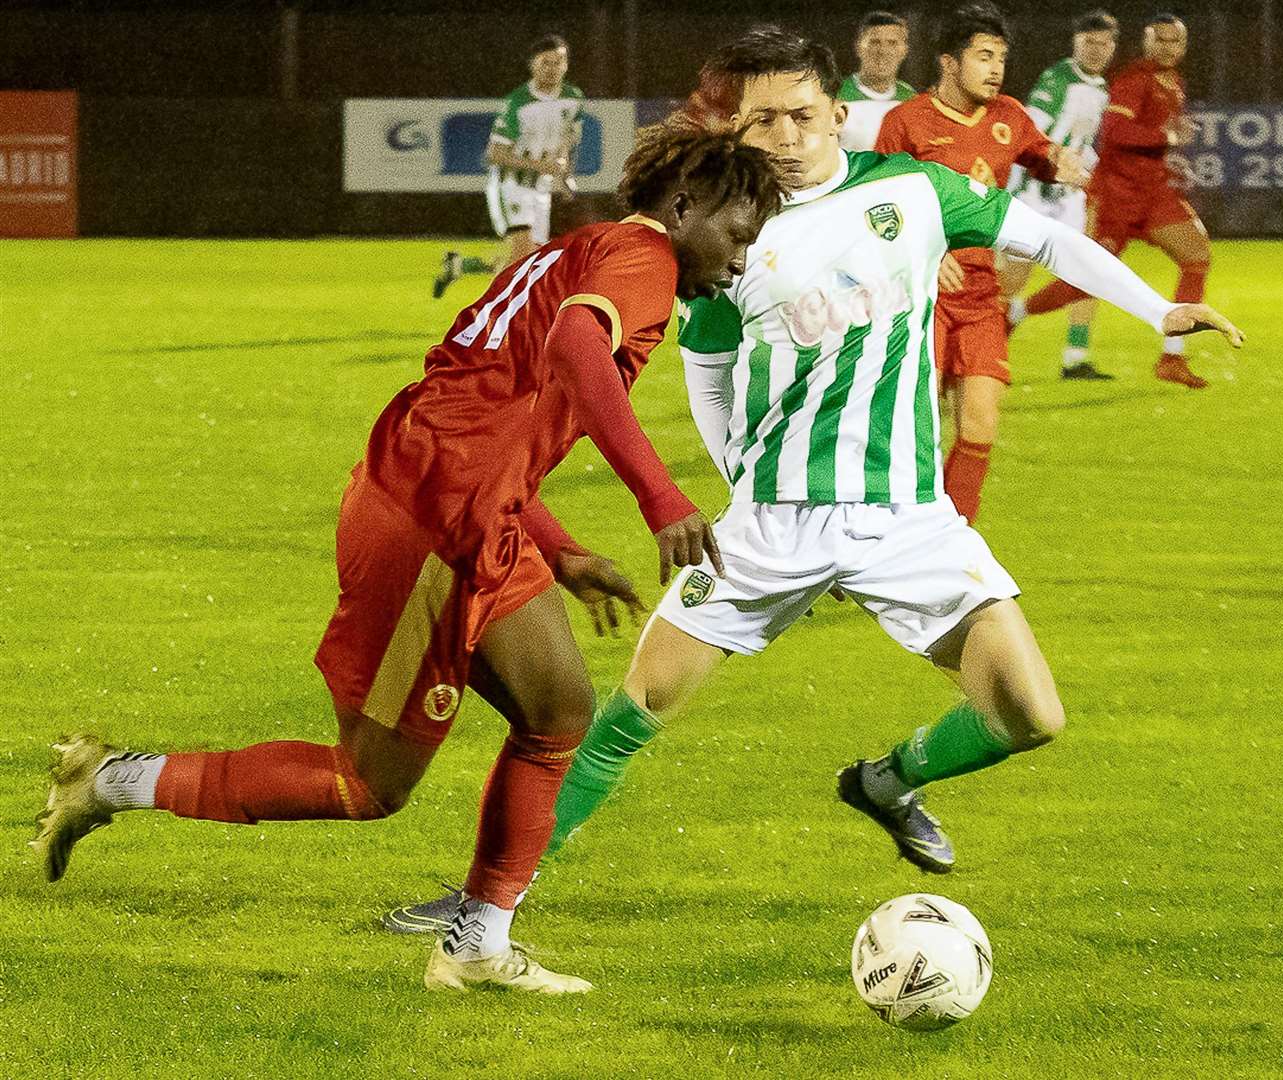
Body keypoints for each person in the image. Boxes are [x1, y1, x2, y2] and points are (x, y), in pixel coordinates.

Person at [382, 23, 1241, 936]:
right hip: (771, 523)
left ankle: (886, 781)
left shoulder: (911, 191)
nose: (785, 138)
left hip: (910, 518)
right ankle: (484, 902)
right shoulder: (726, 232)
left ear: (837, 114)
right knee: (637, 706)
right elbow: (708, 373)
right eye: (762, 123)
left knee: (1030, 714)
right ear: (736, 130)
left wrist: (1159, 308)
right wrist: (737, 482)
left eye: (800, 116)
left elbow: (1047, 240)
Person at [31, 127, 787, 995]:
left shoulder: (574, 250)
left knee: (558, 710)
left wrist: (561, 548)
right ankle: (114, 779)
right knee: (367, 784)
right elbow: (580, 352)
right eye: (737, 237)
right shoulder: (643, 262)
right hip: (429, 527)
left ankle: (475, 946)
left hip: (459, 500)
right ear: (682, 207)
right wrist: (663, 498)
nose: (739, 262)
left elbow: (483, 409)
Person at [874, 3, 1090, 522]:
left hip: (979, 292)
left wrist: (1064, 164)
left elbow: (1043, 155)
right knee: (910, 432)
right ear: (949, 61)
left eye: (1001, 58)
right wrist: (924, 248)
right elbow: (877, 207)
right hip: (917, 293)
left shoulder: (1008, 117)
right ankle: (871, 539)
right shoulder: (905, 122)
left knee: (980, 424)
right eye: (984, 56)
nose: (996, 69)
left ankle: (953, 539)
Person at [1009, 14, 1212, 389]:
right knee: (1083, 277)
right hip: (1103, 196)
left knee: (1197, 255)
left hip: (1142, 194)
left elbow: (1098, 141)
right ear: (1146, 42)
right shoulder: (1127, 80)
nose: (1167, 47)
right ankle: (1009, 318)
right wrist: (1166, 137)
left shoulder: (1164, 82)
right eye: (1160, 40)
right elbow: (1116, 132)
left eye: (1175, 41)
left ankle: (1169, 354)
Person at [1001, 9, 1119, 380]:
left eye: (1103, 44)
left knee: (1087, 270)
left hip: (1069, 196)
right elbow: (1033, 129)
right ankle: (980, 353)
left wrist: (1089, 169)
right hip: (1035, 192)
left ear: (1113, 47)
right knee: (1011, 279)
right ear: (1075, 44)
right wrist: (1055, 163)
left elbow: (1083, 141)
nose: (1096, 50)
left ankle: (1075, 356)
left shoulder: (1101, 88)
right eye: (1089, 43)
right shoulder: (1058, 80)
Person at [433, 35, 584, 299]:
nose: (552, 68)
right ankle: (493, 320)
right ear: (532, 65)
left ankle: (459, 266)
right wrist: (540, 164)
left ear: (566, 65)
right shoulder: (518, 103)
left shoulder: (573, 98)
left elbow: (570, 137)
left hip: (540, 188)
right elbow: (495, 154)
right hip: (510, 184)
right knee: (524, 257)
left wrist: (565, 174)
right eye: (545, 62)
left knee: (528, 261)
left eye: (558, 62)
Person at [837, 11, 915, 152]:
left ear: (904, 50)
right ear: (859, 47)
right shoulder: (835, 95)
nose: (883, 51)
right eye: (874, 42)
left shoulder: (911, 99)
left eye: (892, 43)